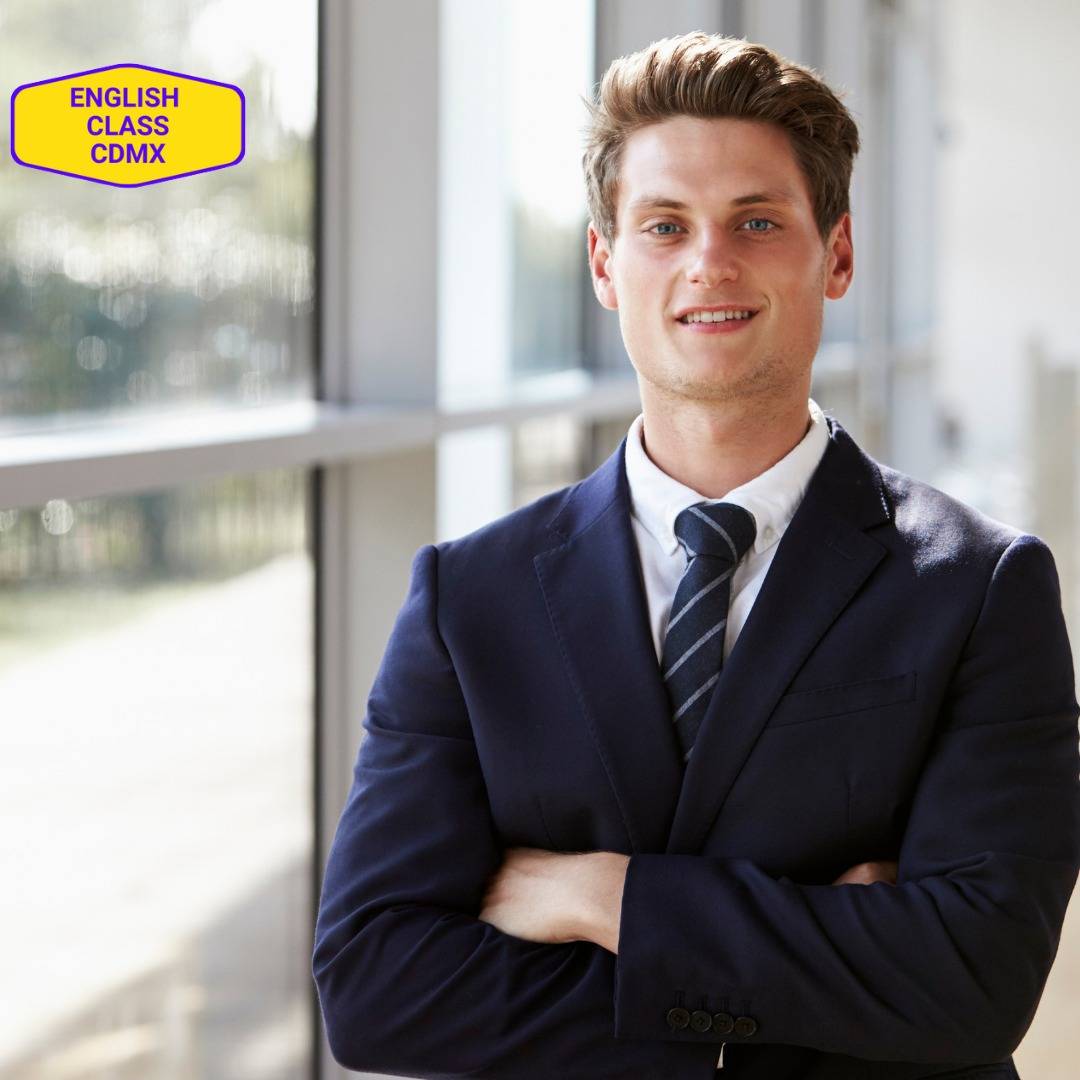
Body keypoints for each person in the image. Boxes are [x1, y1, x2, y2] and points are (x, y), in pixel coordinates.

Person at [312, 31, 1080, 1079]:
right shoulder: (469, 596)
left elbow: (974, 985)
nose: (708, 262)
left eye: (757, 222)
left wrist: (600, 898)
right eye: (663, 225)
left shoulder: (981, 586)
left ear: (838, 254)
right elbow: (376, 990)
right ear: (604, 263)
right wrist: (820, 975)